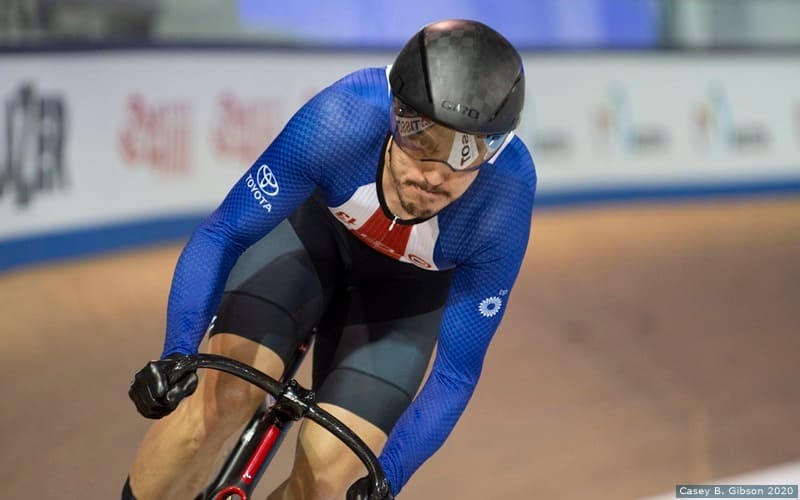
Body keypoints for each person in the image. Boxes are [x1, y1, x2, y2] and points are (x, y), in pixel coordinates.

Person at [124, 18, 536, 500]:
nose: (436, 173)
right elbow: (222, 234)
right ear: (394, 114)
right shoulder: (341, 118)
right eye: (422, 141)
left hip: (402, 299)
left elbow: (455, 374)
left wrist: (389, 479)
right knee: (218, 400)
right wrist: (177, 352)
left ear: (496, 149)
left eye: (467, 153)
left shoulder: (504, 201)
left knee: (330, 479)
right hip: (310, 242)